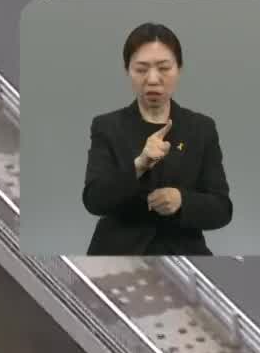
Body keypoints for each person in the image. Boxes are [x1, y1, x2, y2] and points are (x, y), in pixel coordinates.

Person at [82, 23, 232, 255]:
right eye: (141, 69)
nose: (153, 79)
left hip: (183, 256)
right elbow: (94, 200)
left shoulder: (201, 129)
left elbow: (222, 208)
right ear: (127, 71)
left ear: (179, 69)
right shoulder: (108, 127)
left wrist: (182, 200)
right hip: (117, 255)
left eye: (164, 68)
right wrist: (139, 165)